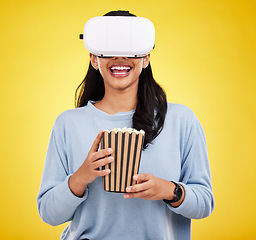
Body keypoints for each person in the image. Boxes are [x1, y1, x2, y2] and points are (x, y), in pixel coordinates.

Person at [37, 10, 214, 240]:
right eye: (109, 50)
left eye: (129, 49)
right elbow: (48, 214)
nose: (119, 58)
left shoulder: (181, 120)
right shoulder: (67, 124)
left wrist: (169, 190)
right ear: (94, 59)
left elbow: (205, 203)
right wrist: (81, 177)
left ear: (146, 58)